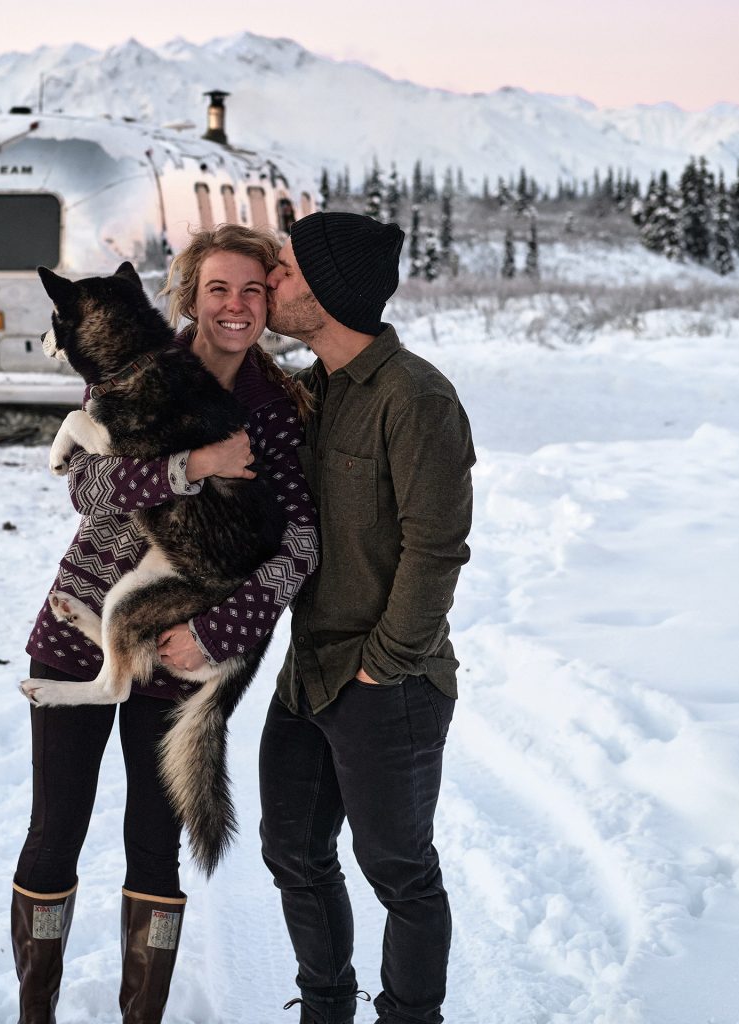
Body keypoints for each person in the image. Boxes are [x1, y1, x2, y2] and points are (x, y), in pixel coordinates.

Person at [11, 223, 319, 1024]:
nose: (235, 306)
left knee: (154, 847)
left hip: (180, 639)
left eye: (252, 290)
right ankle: (35, 1011)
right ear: (189, 296)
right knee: (54, 833)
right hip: (78, 624)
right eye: (218, 288)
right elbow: (86, 489)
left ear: (270, 302)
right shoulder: (127, 358)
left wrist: (219, 635)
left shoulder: (278, 411)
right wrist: (193, 466)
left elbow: (298, 544)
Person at [259, 212, 476, 1024]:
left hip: (390, 684)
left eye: (283, 269)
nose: (271, 280)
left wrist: (383, 664)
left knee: (400, 873)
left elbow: (436, 548)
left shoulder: (416, 398)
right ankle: (326, 1009)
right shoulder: (308, 391)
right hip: (307, 674)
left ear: (325, 291)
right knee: (292, 852)